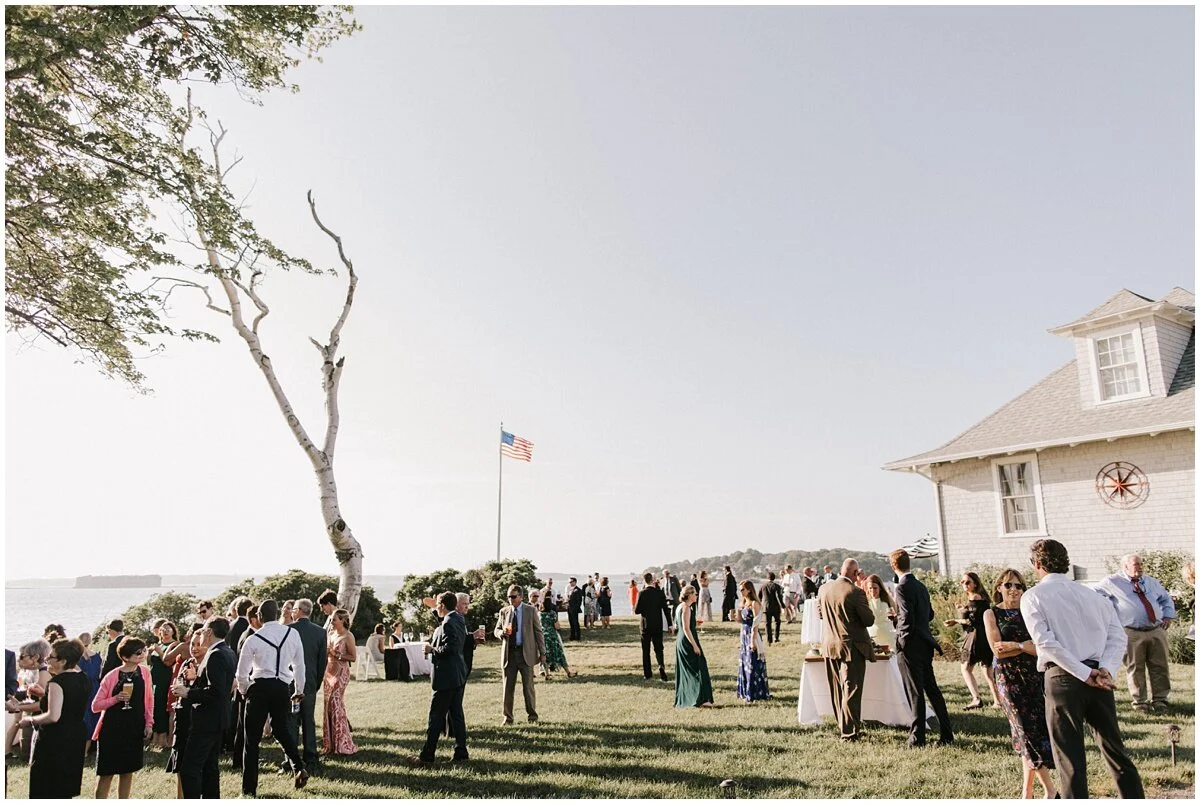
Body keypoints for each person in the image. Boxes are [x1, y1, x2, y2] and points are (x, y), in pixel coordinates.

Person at [1022, 538, 1143, 799]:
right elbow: (1117, 636)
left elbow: (1045, 643)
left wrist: (1087, 673)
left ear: (1038, 564)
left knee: (1070, 758)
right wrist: (1106, 670)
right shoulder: (1093, 595)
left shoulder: (1033, 596)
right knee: (1115, 751)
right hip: (1099, 677)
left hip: (1063, 678)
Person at [983, 569, 1057, 799]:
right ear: (999, 588)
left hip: (1034, 676)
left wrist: (1016, 646)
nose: (1013, 590)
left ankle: (1027, 793)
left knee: (1028, 730)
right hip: (1007, 678)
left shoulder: (1030, 611)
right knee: (1025, 730)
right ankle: (1051, 791)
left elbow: (1042, 648)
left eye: (1018, 586)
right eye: (1008, 585)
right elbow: (998, 650)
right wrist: (1025, 645)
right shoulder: (991, 613)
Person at [237, 599, 310, 793]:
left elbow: (241, 673)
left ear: (259, 617)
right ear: (277, 614)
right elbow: (299, 665)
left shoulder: (253, 639)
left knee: (251, 740)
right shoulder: (292, 633)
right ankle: (299, 766)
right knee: (281, 729)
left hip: (259, 688)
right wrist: (299, 689)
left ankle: (249, 789)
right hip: (282, 688)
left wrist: (245, 691)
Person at [1093, 553, 1177, 712]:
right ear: (1125, 567)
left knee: (1160, 666)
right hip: (1131, 632)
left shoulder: (1150, 582)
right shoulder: (1112, 582)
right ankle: (1140, 702)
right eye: (1135, 565)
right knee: (1135, 667)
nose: (1140, 567)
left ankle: (1160, 700)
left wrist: (1167, 615)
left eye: (1141, 564)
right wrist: (1108, 615)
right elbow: (1094, 596)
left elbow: (1166, 598)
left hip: (1156, 630)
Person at [891, 549, 953, 748]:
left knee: (914, 691)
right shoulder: (920, 586)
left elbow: (907, 617)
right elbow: (930, 614)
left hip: (910, 645)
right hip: (925, 642)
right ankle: (946, 733)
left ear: (893, 566)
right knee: (932, 690)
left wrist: (901, 638)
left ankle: (917, 737)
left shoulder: (901, 588)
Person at [173, 618, 235, 799]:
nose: (199, 637)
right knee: (210, 768)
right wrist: (195, 681)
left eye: (202, 632)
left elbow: (216, 691)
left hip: (207, 720)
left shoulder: (216, 654)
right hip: (218, 719)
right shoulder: (228, 651)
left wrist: (188, 693)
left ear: (209, 633)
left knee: (189, 770)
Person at [408, 591, 470, 767]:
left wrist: (431, 649)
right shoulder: (457, 619)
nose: (436, 609)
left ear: (442, 606)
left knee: (435, 717)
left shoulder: (449, 623)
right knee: (456, 715)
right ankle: (461, 753)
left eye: (437, 606)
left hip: (446, 678)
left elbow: (449, 649)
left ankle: (426, 757)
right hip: (457, 675)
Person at [24, 637, 89, 799]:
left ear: (63, 661)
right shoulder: (83, 677)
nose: (47, 660)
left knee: (46, 786)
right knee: (65, 787)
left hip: (56, 738)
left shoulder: (57, 682)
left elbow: (53, 716)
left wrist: (30, 720)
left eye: (51, 657)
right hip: (76, 734)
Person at [817, 558, 875, 741]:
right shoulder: (855, 592)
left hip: (829, 645)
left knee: (837, 689)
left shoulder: (823, 589)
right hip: (852, 647)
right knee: (852, 688)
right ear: (856, 573)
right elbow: (869, 620)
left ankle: (844, 725)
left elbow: (820, 614)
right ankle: (849, 733)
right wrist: (861, 586)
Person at [92, 636, 153, 799]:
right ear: (125, 657)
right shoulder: (112, 676)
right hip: (112, 728)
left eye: (143, 651)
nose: (142, 655)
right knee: (106, 773)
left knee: (128, 771)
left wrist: (149, 723)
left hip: (133, 727)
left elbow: (149, 700)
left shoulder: (144, 673)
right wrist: (115, 699)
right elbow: (95, 706)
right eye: (137, 652)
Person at [943, 571, 999, 709]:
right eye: (962, 582)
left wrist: (955, 620)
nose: (964, 584)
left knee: (966, 668)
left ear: (975, 583)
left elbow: (971, 621)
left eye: (967, 582)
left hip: (975, 636)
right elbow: (976, 614)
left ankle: (976, 699)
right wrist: (964, 608)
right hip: (983, 636)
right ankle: (998, 701)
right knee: (987, 670)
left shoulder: (975, 597)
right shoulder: (980, 598)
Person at [493, 584, 546, 724]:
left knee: (528, 687)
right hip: (509, 654)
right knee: (507, 687)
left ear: (521, 597)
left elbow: (538, 632)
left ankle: (532, 717)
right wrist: (501, 633)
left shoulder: (530, 611)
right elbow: (496, 630)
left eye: (513, 596)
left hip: (525, 653)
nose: (511, 599)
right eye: (509, 596)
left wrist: (543, 652)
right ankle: (508, 718)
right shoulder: (504, 611)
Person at [288, 598, 327, 777]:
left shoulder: (288, 630)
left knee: (291, 721)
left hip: (290, 681)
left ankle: (291, 758)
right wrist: (316, 682)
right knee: (308, 720)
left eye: (293, 609)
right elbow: (322, 662)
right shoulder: (320, 632)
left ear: (299, 611)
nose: (291, 612)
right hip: (311, 681)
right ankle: (311, 756)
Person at [165, 630, 205, 798]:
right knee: (180, 761)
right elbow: (177, 684)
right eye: (192, 644)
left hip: (199, 720)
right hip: (183, 716)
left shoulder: (208, 665)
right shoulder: (186, 662)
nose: (194, 648)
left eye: (198, 645)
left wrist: (196, 679)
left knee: (196, 764)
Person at [323, 608, 358, 756]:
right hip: (329, 673)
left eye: (334, 619)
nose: (331, 621)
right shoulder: (330, 635)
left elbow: (353, 657)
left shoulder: (348, 636)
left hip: (341, 673)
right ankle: (329, 744)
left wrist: (336, 654)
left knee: (336, 704)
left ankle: (342, 743)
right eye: (331, 619)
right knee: (328, 708)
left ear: (342, 620)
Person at [674, 586, 714, 708]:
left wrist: (694, 623)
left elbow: (680, 624)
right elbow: (686, 628)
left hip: (681, 640)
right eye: (695, 594)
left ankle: (691, 697)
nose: (696, 595)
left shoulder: (680, 607)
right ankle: (701, 699)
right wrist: (695, 645)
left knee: (687, 670)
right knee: (699, 667)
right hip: (688, 641)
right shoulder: (686, 607)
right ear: (690, 595)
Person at [634, 572, 672, 682]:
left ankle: (648, 674)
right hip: (657, 624)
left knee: (646, 650)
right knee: (659, 648)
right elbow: (666, 610)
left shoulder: (641, 593)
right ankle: (661, 665)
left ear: (644, 580)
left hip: (645, 625)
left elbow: (637, 610)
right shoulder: (659, 593)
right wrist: (670, 624)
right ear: (652, 580)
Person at [736, 580, 769, 702]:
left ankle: (755, 692)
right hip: (744, 634)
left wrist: (753, 640)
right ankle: (745, 691)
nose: (741, 592)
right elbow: (741, 621)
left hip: (751, 634)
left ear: (749, 589)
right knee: (745, 662)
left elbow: (756, 623)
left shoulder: (755, 603)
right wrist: (736, 614)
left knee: (753, 662)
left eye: (742, 590)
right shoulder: (743, 603)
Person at [537, 591, 578, 678]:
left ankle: (547, 674)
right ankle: (568, 672)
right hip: (552, 635)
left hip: (543, 635)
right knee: (559, 654)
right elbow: (557, 626)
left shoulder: (539, 614)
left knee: (545, 655)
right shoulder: (552, 613)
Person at [78, 631, 102, 756]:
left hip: (82, 687)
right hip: (95, 687)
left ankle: (84, 750)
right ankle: (93, 744)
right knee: (94, 715)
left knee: (84, 716)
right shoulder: (97, 656)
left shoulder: (77, 658)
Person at [865, 574, 897, 651]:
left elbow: (896, 615)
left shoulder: (888, 601)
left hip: (888, 638)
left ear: (880, 588)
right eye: (870, 588)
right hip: (872, 638)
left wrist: (895, 617)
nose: (872, 591)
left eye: (875, 588)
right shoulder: (865, 602)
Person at [758, 571, 785, 644]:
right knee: (777, 622)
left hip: (766, 607)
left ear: (767, 578)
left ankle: (769, 640)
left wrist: (760, 604)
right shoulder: (777, 586)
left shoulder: (763, 586)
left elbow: (759, 597)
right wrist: (783, 606)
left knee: (767, 624)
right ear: (774, 578)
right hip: (775, 606)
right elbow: (780, 597)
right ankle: (776, 637)